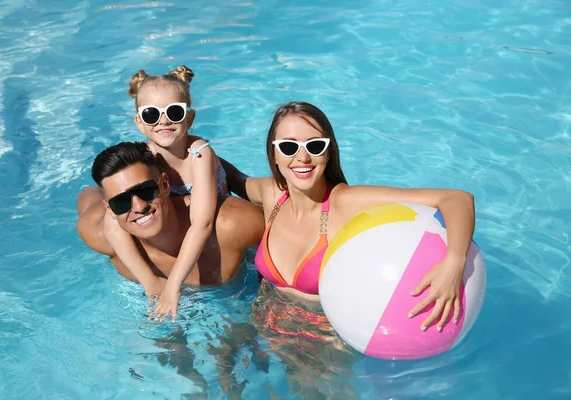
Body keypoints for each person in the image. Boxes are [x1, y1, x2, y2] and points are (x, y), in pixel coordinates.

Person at [222, 101, 476, 332]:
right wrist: (190, 141)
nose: (302, 157)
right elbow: (229, 175)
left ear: (328, 152)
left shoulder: (346, 202)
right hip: (264, 325)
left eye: (315, 145)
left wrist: (454, 263)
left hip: (322, 345)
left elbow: (457, 199)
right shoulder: (272, 195)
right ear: (274, 155)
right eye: (288, 147)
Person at [76, 141, 264, 320]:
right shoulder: (100, 236)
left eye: (146, 190)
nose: (139, 206)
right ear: (109, 209)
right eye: (121, 202)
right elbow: (87, 195)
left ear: (165, 185)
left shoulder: (230, 224)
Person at [102, 65, 229, 322]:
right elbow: (112, 222)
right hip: (173, 228)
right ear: (139, 123)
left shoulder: (199, 154)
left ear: (190, 119)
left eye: (174, 112)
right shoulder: (145, 157)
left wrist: (173, 286)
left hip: (213, 236)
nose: (163, 121)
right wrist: (153, 283)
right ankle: (150, 285)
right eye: (151, 114)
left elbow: (203, 222)